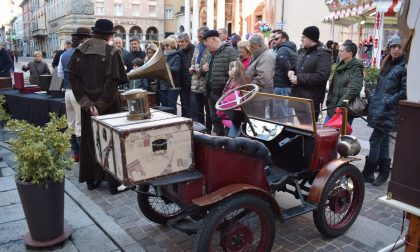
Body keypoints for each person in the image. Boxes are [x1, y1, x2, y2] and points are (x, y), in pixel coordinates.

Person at [68, 19, 128, 195]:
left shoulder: (79, 51)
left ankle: (91, 179)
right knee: (110, 141)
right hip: (108, 105)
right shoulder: (112, 51)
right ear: (110, 35)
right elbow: (113, 83)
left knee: (89, 142)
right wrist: (100, 106)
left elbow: (74, 80)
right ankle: (114, 184)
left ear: (94, 32)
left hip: (88, 106)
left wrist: (88, 104)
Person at [361, 35, 407, 187]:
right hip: (378, 108)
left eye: (399, 47)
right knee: (384, 142)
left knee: (375, 140)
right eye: (393, 47)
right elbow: (380, 86)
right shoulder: (387, 64)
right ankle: (383, 173)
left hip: (389, 110)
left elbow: (405, 91)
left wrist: (388, 102)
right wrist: (373, 97)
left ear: (403, 49)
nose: (395, 50)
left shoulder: (404, 67)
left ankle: (368, 172)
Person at [57, 27, 92, 163]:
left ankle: (76, 154)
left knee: (70, 123)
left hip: (67, 91)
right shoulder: (83, 54)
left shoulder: (64, 55)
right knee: (79, 124)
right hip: (79, 93)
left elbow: (60, 74)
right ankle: (83, 155)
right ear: (84, 40)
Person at [288, 26, 331, 124]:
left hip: (310, 99)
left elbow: (322, 76)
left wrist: (299, 79)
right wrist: (291, 70)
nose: (301, 39)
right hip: (298, 96)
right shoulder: (303, 51)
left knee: (308, 128)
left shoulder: (323, 54)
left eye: (304, 37)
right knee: (301, 127)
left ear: (311, 38)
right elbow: (297, 66)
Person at [202, 29, 238, 136]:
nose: (205, 43)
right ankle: (219, 138)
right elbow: (203, 71)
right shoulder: (209, 53)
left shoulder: (230, 51)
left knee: (227, 118)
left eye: (206, 41)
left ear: (214, 39)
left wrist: (225, 85)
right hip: (210, 93)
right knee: (214, 118)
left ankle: (228, 140)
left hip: (224, 94)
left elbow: (234, 74)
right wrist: (202, 69)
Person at [325, 42, 363, 125]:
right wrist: (329, 101)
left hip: (345, 109)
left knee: (340, 135)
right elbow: (332, 86)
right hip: (332, 107)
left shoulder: (356, 68)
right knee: (326, 132)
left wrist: (341, 104)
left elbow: (355, 88)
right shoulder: (339, 66)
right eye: (339, 51)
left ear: (350, 54)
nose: (339, 53)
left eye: (342, 51)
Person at [216, 60, 248, 137]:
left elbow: (226, 104)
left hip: (232, 121)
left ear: (234, 71)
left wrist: (218, 113)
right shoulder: (239, 83)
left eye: (229, 70)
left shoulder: (235, 88)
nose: (228, 72)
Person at [273, 31, 298, 123]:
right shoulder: (291, 48)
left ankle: (284, 130)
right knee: (288, 110)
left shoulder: (283, 49)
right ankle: (290, 127)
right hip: (288, 85)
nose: (274, 41)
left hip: (282, 84)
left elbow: (286, 67)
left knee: (282, 111)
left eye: (276, 39)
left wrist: (289, 77)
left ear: (284, 39)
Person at [190, 26, 211, 132]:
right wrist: (192, 66)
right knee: (198, 109)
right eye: (198, 36)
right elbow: (194, 59)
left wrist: (201, 69)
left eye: (201, 37)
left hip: (205, 81)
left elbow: (208, 64)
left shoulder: (210, 47)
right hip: (196, 81)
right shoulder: (197, 46)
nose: (199, 39)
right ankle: (201, 129)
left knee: (208, 109)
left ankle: (208, 129)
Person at [157, 37, 181, 112]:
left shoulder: (177, 57)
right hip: (162, 86)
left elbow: (176, 70)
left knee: (171, 108)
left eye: (167, 45)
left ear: (172, 46)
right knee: (164, 108)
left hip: (172, 87)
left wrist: (165, 65)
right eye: (164, 46)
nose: (165, 47)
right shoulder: (162, 56)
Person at [177, 32, 195, 118]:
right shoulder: (179, 52)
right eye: (179, 42)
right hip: (183, 83)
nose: (180, 44)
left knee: (193, 106)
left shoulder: (195, 49)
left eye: (182, 41)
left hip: (193, 83)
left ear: (187, 41)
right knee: (184, 105)